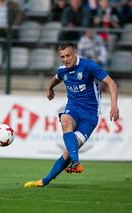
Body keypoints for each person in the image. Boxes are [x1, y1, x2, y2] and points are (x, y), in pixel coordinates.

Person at [24, 42, 119, 188]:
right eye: (62, 57)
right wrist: (49, 89)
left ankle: (45, 180)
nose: (65, 59)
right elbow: (56, 78)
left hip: (90, 116)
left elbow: (111, 83)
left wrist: (113, 105)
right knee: (65, 121)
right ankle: (76, 162)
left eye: (68, 55)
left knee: (68, 152)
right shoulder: (63, 70)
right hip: (73, 108)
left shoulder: (88, 66)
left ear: (74, 53)